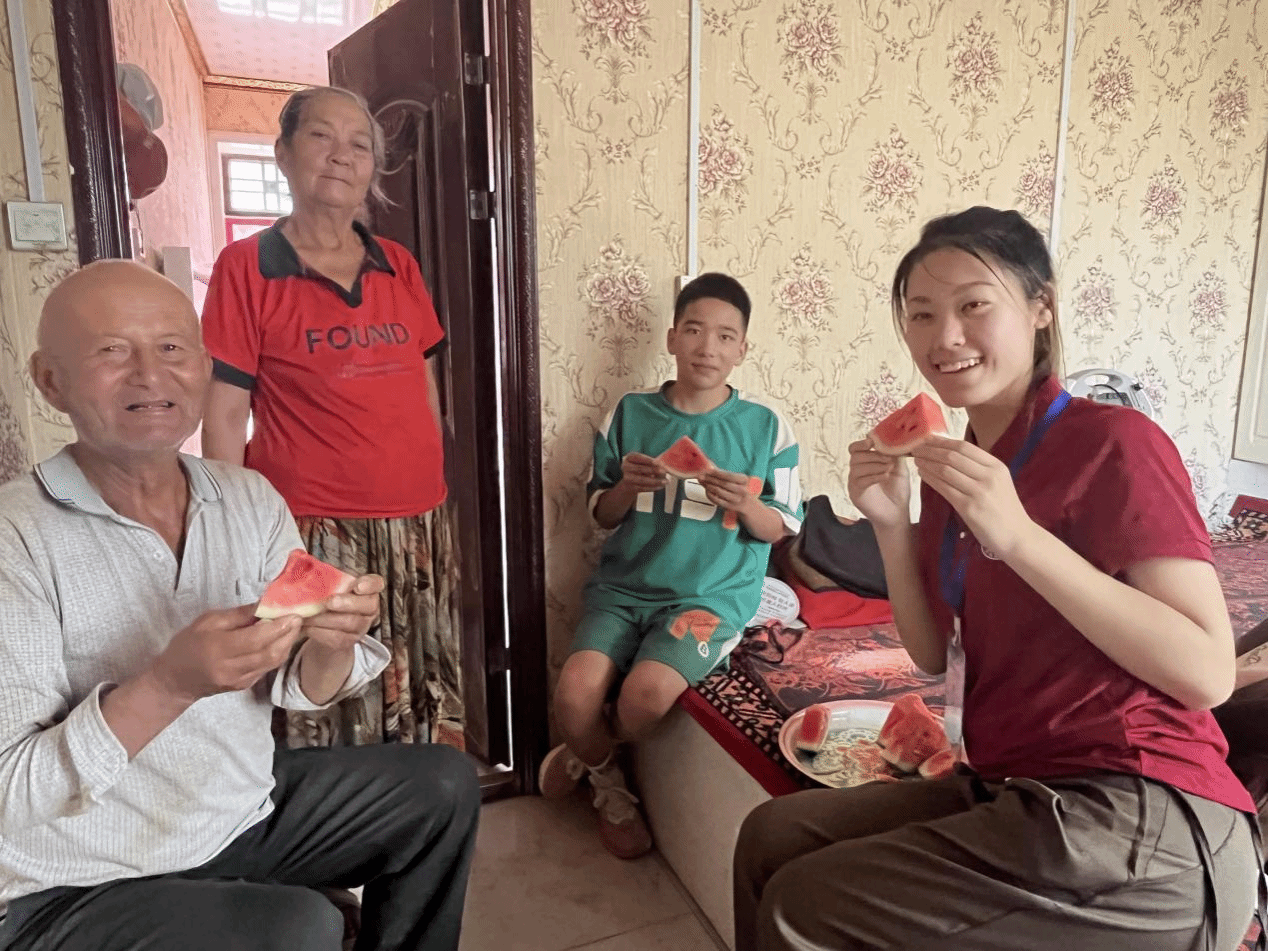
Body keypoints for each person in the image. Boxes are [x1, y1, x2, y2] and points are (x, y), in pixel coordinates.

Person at [733, 207, 1262, 951]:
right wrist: (891, 524)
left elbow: (1206, 673)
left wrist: (1018, 537)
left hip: (1145, 814)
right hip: (1018, 786)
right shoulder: (960, 472)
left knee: (804, 905)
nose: (944, 336)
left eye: (974, 305)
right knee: (770, 840)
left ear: (1041, 307)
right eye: (922, 313)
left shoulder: (1116, 442)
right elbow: (930, 651)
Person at [0, 260, 478, 951]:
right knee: (301, 926)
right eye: (112, 351)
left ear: (203, 367)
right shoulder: (14, 536)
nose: (150, 374)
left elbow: (298, 688)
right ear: (51, 381)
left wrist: (331, 643)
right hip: (80, 873)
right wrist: (167, 685)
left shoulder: (248, 498)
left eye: (172, 348)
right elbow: (10, 791)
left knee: (443, 784)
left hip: (234, 813)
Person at [200, 85, 461, 749]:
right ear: (283, 153)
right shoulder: (246, 268)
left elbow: (424, 382)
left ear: (373, 167)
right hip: (310, 528)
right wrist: (233, 530)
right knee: (320, 697)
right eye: (321, 136)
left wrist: (431, 472)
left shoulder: (399, 264)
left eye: (360, 144)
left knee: (416, 679)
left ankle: (417, 802)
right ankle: (335, 813)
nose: (342, 155)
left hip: (417, 520)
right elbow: (224, 414)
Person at [540, 273, 803, 859]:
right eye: (694, 330)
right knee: (573, 696)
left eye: (725, 336)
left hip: (712, 598)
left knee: (645, 697)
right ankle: (609, 781)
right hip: (622, 591)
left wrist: (746, 505)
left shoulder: (767, 427)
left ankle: (589, 754)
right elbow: (601, 514)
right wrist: (626, 489)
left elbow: (782, 527)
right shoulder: (629, 413)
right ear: (671, 338)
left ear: (743, 349)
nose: (708, 347)